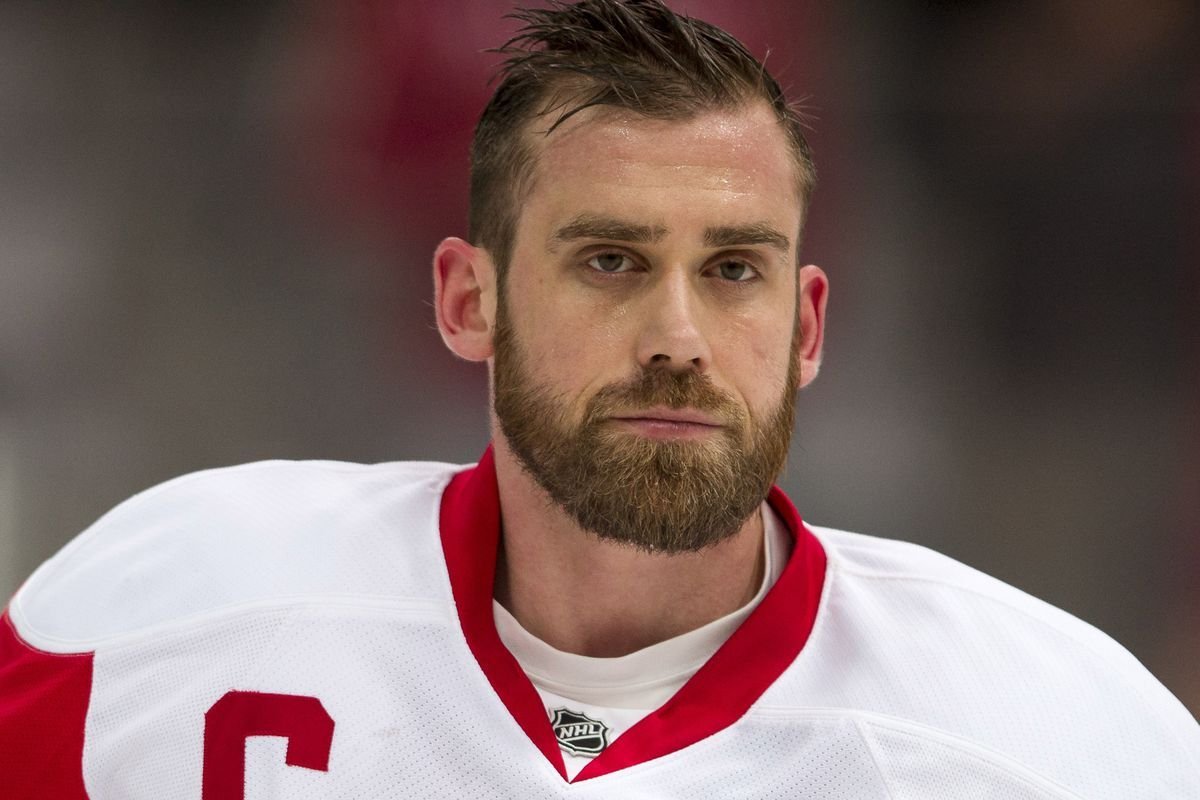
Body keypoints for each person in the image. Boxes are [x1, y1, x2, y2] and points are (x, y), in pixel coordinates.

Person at [1, 0, 1197, 797]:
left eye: (734, 270)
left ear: (807, 327)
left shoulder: (1050, 736)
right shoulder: (171, 608)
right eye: (611, 260)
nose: (678, 337)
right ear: (468, 300)